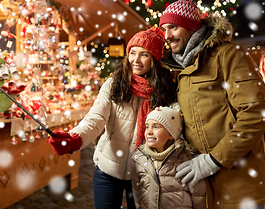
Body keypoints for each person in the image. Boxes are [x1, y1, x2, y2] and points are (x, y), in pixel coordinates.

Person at [159, 0, 265, 209]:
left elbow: (256, 114)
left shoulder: (228, 55)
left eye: (173, 27)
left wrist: (213, 160)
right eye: (164, 29)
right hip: (204, 190)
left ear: (191, 27)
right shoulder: (179, 69)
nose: (167, 35)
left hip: (239, 183)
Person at [48, 27, 177, 209]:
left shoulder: (164, 91)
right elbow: (95, 118)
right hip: (108, 170)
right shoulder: (115, 83)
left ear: (154, 59)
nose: (136, 60)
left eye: (144, 55)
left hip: (144, 174)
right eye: (132, 53)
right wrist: (74, 139)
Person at [132, 103, 206, 209]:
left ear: (171, 134)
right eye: (147, 127)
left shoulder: (186, 161)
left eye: (156, 127)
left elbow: (199, 198)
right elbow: (137, 195)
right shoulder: (139, 159)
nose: (149, 132)